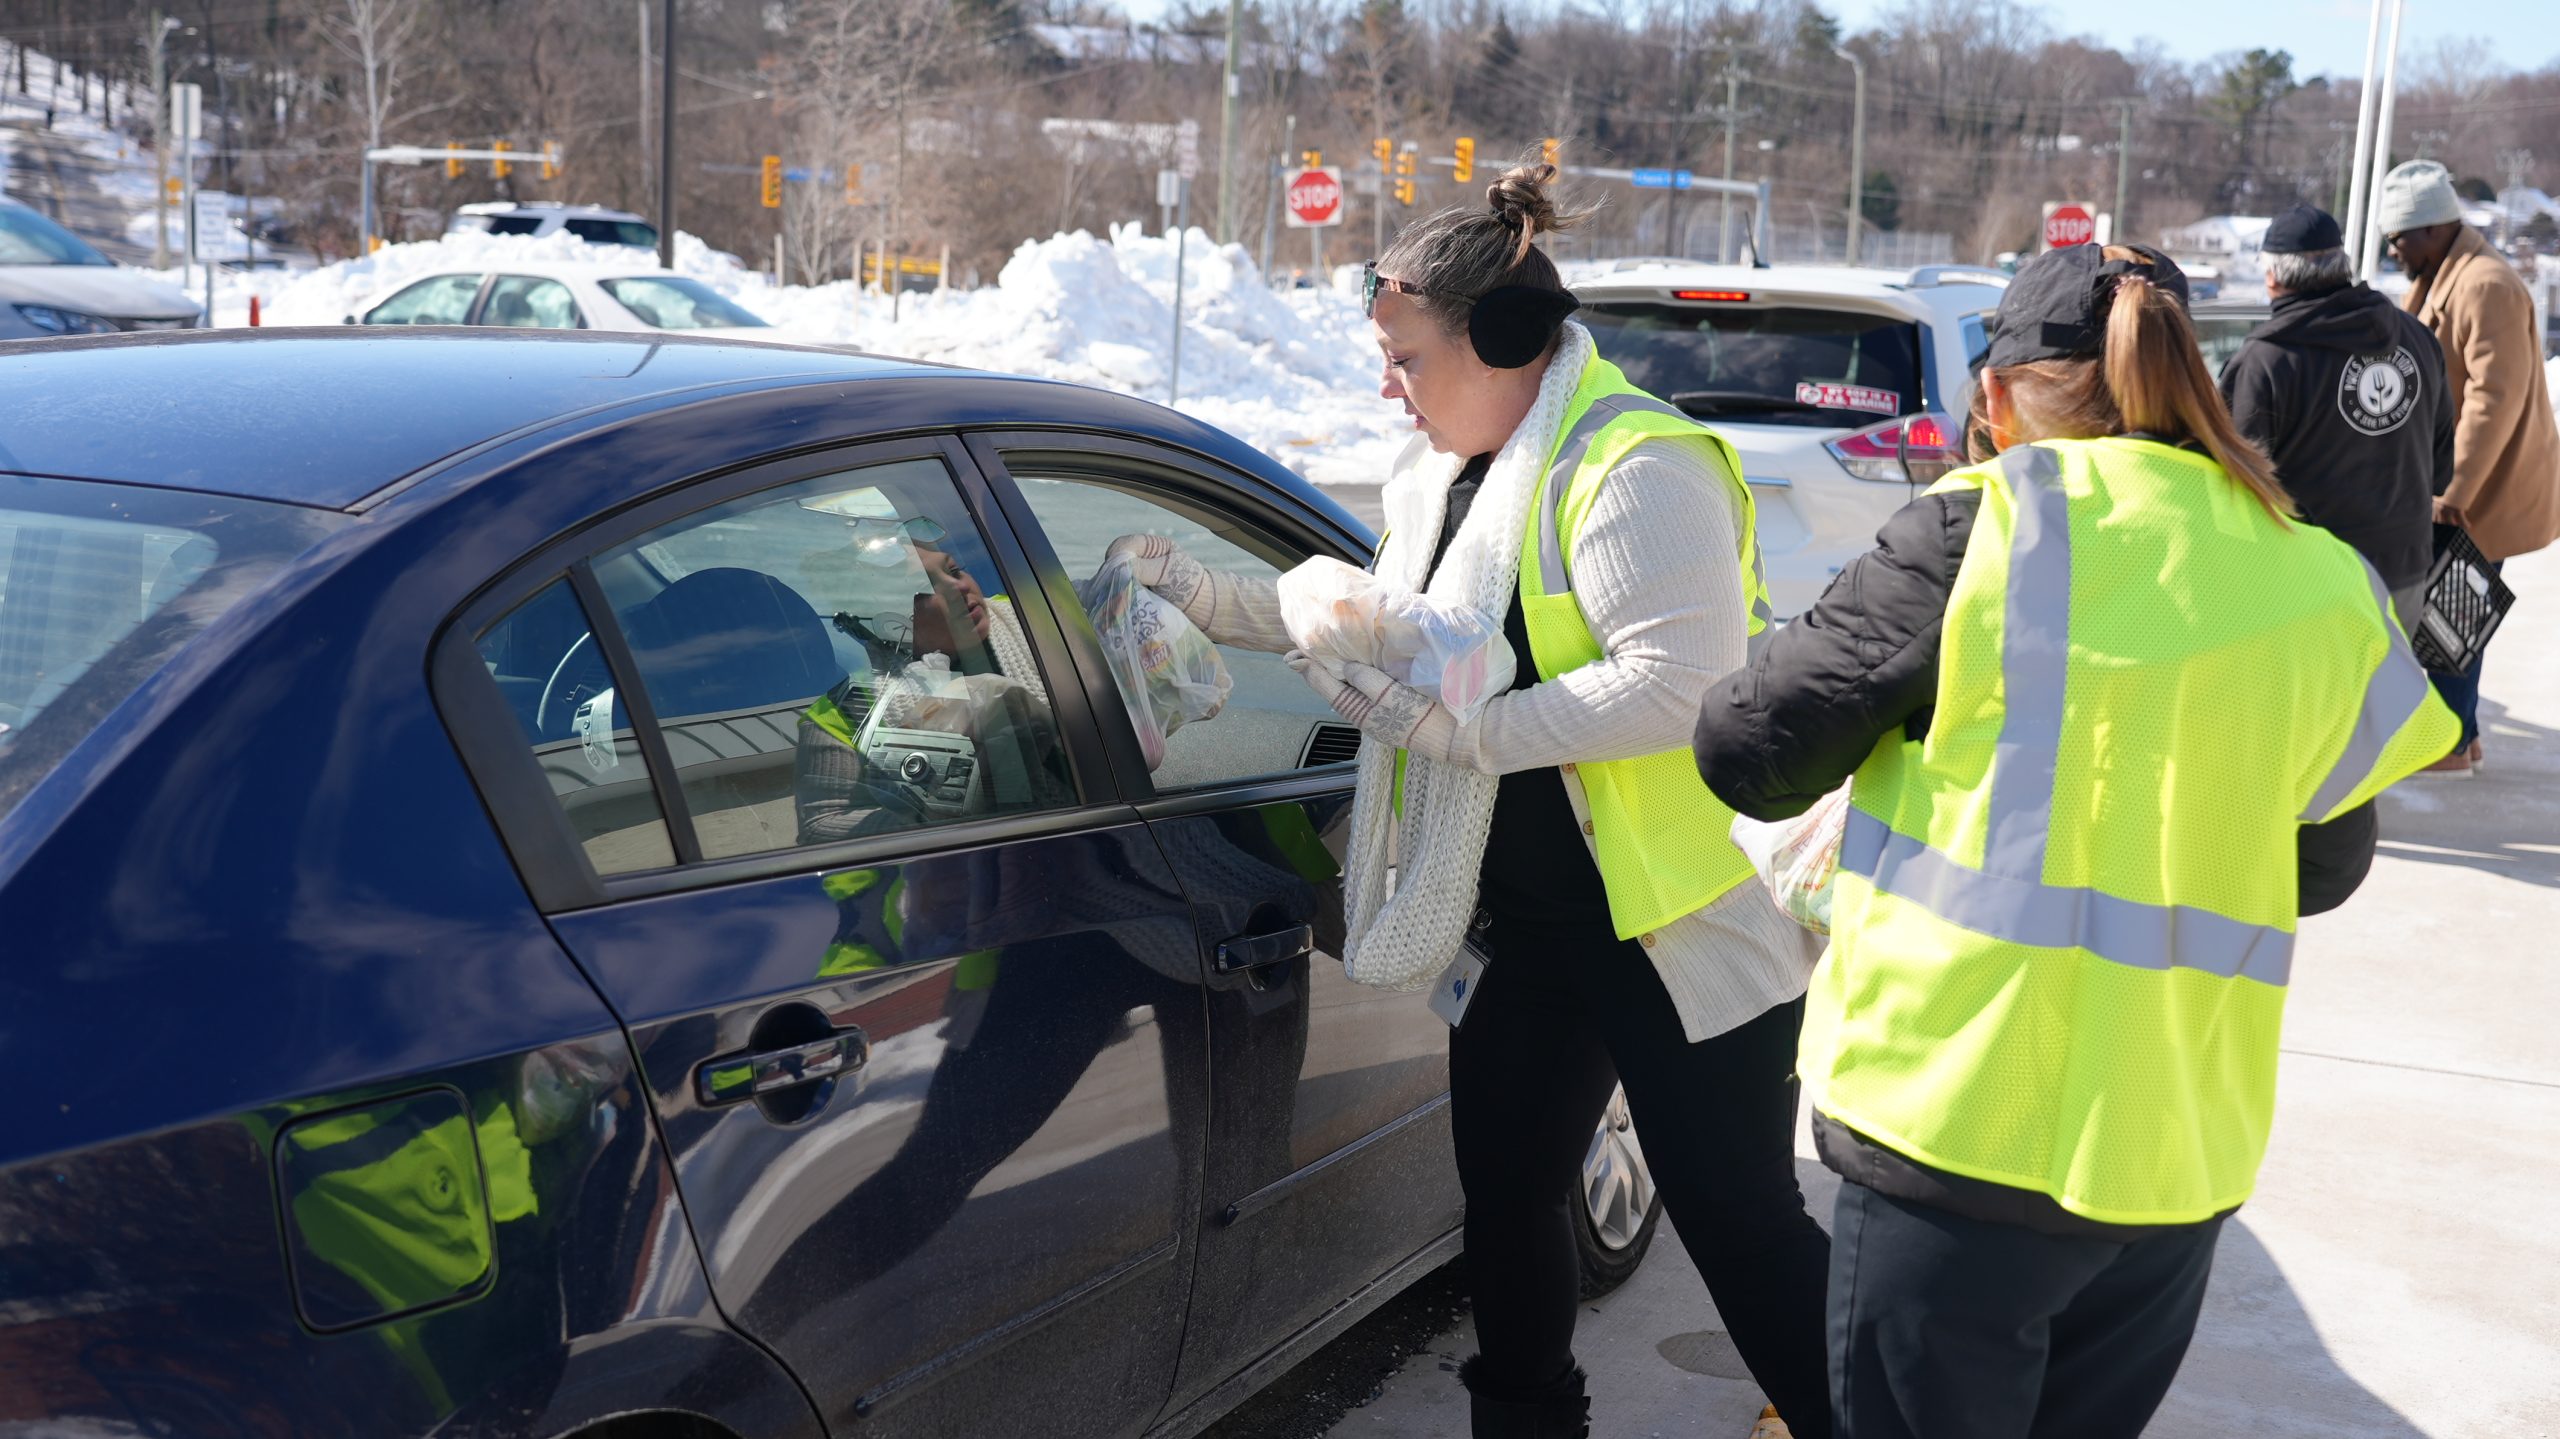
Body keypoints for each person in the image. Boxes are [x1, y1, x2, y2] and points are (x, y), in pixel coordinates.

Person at [1114, 162, 1831, 1439]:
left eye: (1404, 358)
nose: (1384, 386)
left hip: (1675, 921)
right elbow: (1379, 633)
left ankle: (1856, 1410)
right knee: (1506, 1206)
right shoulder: (1441, 475)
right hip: (1531, 932)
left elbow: (1676, 685)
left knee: (1739, 1229)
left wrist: (1469, 734)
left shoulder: (1629, 464)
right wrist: (1202, 594)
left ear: (1502, 343)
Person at [1695, 242, 2458, 1439]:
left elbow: (1744, 749)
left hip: (1952, 1125)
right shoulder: (2322, 581)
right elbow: (2326, 864)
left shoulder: (1976, 530)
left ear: (1995, 398)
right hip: (2171, 1154)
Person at [2379, 159, 2560, 775]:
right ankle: (2464, 736)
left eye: (2398, 238)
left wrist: (2454, 490)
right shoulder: (2445, 276)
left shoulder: (2484, 284)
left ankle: (2450, 745)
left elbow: (2492, 399)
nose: (2392, 250)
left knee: (2449, 617)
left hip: (2479, 490)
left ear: (2431, 229)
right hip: (2458, 485)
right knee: (2452, 610)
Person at [2220, 201, 2450, 630]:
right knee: (2388, 698)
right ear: (2340, 266)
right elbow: (2440, 471)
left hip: (2308, 587)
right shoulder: (2417, 338)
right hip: (2404, 575)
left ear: (2272, 277)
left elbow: (2238, 492)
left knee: (2316, 700)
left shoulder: (2267, 361)